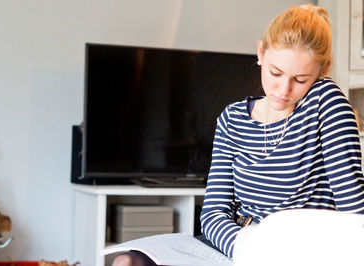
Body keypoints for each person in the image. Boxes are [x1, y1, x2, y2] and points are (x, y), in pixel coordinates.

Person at [111, 4, 364, 266]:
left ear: (322, 73)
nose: (283, 89)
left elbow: (354, 210)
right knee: (128, 262)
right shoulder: (233, 119)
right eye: (275, 73)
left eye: (300, 80)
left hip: (298, 253)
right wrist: (248, 249)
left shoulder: (326, 102)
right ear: (260, 53)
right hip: (241, 246)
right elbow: (213, 213)